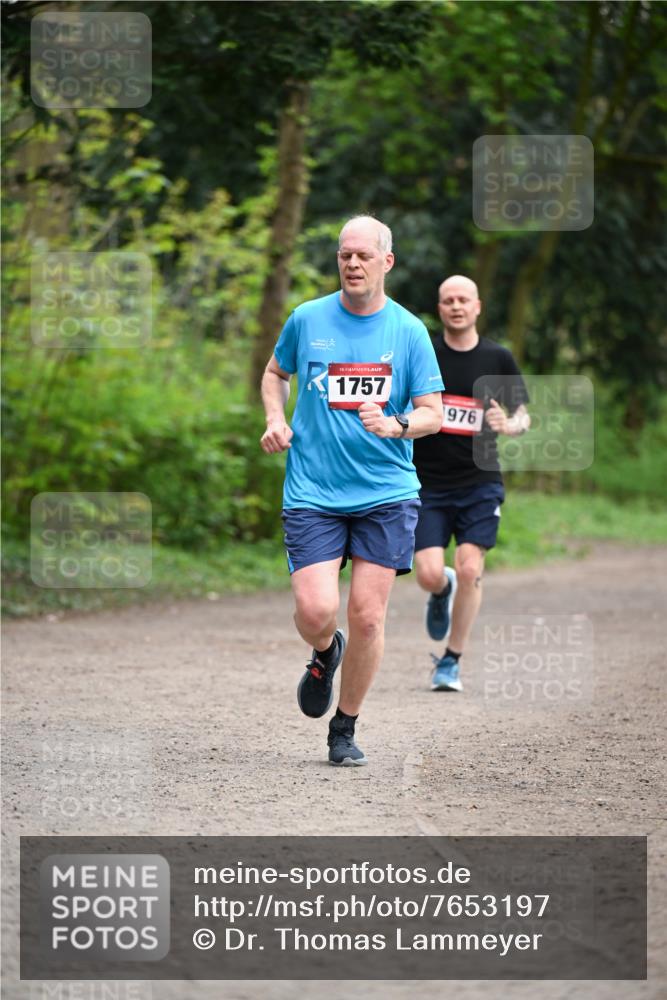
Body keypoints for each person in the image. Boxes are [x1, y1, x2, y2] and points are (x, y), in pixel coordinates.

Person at [260, 216, 444, 766]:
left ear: (386, 262)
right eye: (344, 255)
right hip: (314, 489)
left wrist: (397, 425)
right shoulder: (306, 318)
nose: (352, 264)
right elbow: (276, 373)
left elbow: (433, 413)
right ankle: (323, 653)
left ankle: (344, 727)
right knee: (317, 612)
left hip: (386, 491)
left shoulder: (408, 332)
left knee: (367, 616)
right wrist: (275, 418)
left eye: (363, 255)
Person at [412, 275, 530, 692]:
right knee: (428, 573)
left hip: (480, 482)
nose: (456, 306)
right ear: (440, 308)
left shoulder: (498, 358)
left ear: (477, 306)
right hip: (426, 483)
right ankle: (440, 590)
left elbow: (522, 414)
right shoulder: (424, 352)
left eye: (463, 300)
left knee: (469, 566)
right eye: (448, 301)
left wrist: (510, 425)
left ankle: (451, 660)